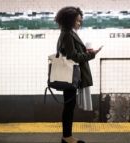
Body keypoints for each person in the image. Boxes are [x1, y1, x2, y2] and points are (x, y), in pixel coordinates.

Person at [55, 6, 102, 143]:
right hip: (69, 76)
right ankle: (67, 137)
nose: (79, 23)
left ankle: (67, 136)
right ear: (70, 21)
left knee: (70, 105)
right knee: (69, 106)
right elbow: (73, 56)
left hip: (69, 75)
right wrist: (91, 54)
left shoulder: (67, 33)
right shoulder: (67, 34)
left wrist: (87, 53)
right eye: (77, 21)